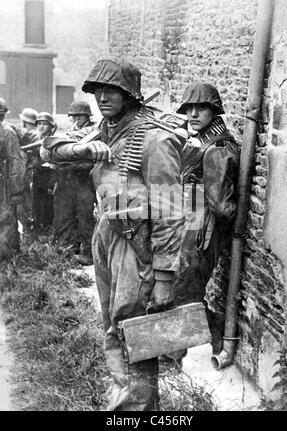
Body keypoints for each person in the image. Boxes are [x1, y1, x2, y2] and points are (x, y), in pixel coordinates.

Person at [41, 56, 183, 411]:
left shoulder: (153, 139)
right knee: (113, 326)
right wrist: (84, 149)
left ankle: (134, 410)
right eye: (97, 91)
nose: (102, 98)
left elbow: (171, 210)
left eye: (112, 90)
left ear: (131, 94)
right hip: (106, 233)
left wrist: (165, 275)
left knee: (133, 328)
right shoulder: (105, 130)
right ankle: (128, 399)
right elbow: (50, 149)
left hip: (136, 245)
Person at [173, 82, 240, 355]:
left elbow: (223, 207)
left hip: (203, 234)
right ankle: (215, 337)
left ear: (215, 111)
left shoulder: (217, 150)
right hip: (193, 228)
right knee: (184, 290)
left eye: (201, 108)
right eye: (189, 108)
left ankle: (176, 355)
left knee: (184, 292)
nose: (193, 114)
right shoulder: (205, 143)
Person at [50, 101, 96, 264]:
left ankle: (89, 253)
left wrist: (76, 163)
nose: (76, 119)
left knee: (86, 217)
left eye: (80, 115)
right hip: (66, 179)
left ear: (87, 116)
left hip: (85, 180)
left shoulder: (95, 132)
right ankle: (63, 250)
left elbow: (95, 160)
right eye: (74, 116)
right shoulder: (67, 134)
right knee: (63, 215)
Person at [0, 97, 26, 263]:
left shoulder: (8, 132)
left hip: (3, 182)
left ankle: (5, 259)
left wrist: (16, 190)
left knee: (5, 218)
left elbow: (16, 161)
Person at [14, 108, 39, 233]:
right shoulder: (34, 134)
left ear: (24, 122)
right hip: (29, 174)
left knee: (26, 206)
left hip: (29, 174)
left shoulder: (31, 134)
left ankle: (29, 233)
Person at [32, 112, 56, 231]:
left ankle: (48, 227)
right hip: (37, 174)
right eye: (39, 124)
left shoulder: (54, 140)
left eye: (45, 124)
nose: (41, 127)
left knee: (48, 202)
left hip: (50, 174)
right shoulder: (34, 139)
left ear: (51, 126)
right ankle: (37, 227)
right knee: (36, 201)